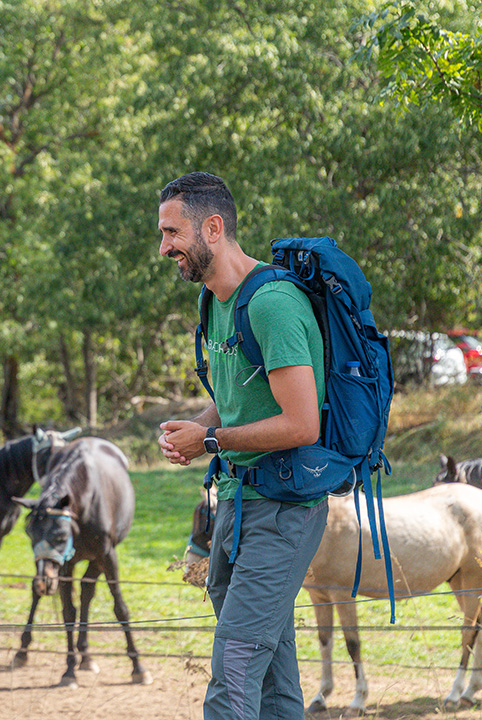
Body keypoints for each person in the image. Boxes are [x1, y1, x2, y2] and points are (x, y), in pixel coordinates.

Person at [156, 172, 329, 720]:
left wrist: (209, 438)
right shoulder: (215, 302)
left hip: (283, 511)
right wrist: (201, 425)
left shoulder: (273, 303)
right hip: (235, 503)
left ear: (213, 227)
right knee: (273, 676)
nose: (163, 248)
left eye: (170, 232)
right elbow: (241, 396)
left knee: (232, 670)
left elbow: (302, 424)